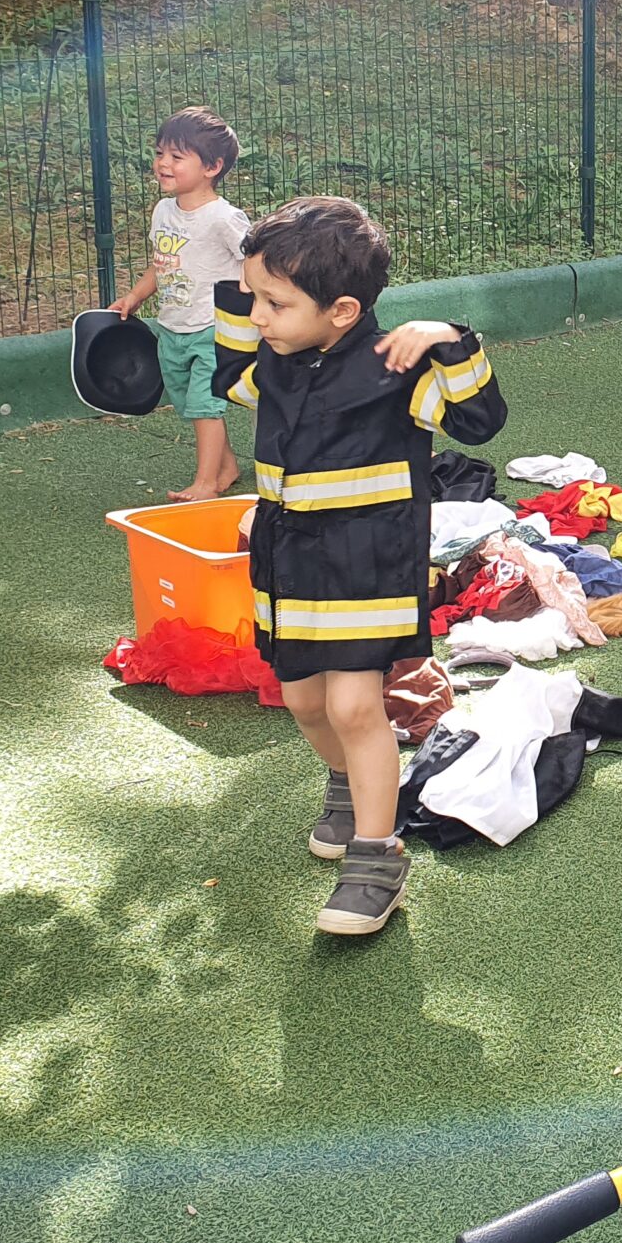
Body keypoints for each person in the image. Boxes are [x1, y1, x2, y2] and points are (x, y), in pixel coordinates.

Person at [210, 196, 508, 935]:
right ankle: (347, 782)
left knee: (352, 706)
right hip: (288, 560)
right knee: (305, 702)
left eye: (275, 303)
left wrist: (450, 340)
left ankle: (378, 859)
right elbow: (231, 376)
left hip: (367, 561)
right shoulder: (273, 359)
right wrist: (243, 287)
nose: (259, 317)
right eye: (255, 299)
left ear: (343, 311)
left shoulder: (395, 367)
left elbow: (480, 421)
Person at [107, 107, 250, 500]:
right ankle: (226, 467)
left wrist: (249, 304)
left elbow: (256, 261)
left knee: (205, 405)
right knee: (189, 404)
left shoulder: (224, 218)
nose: (163, 163)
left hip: (212, 328)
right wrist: (135, 296)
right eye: (159, 153)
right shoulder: (164, 211)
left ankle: (205, 484)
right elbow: (163, 263)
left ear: (212, 167)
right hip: (172, 327)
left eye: (176, 156)